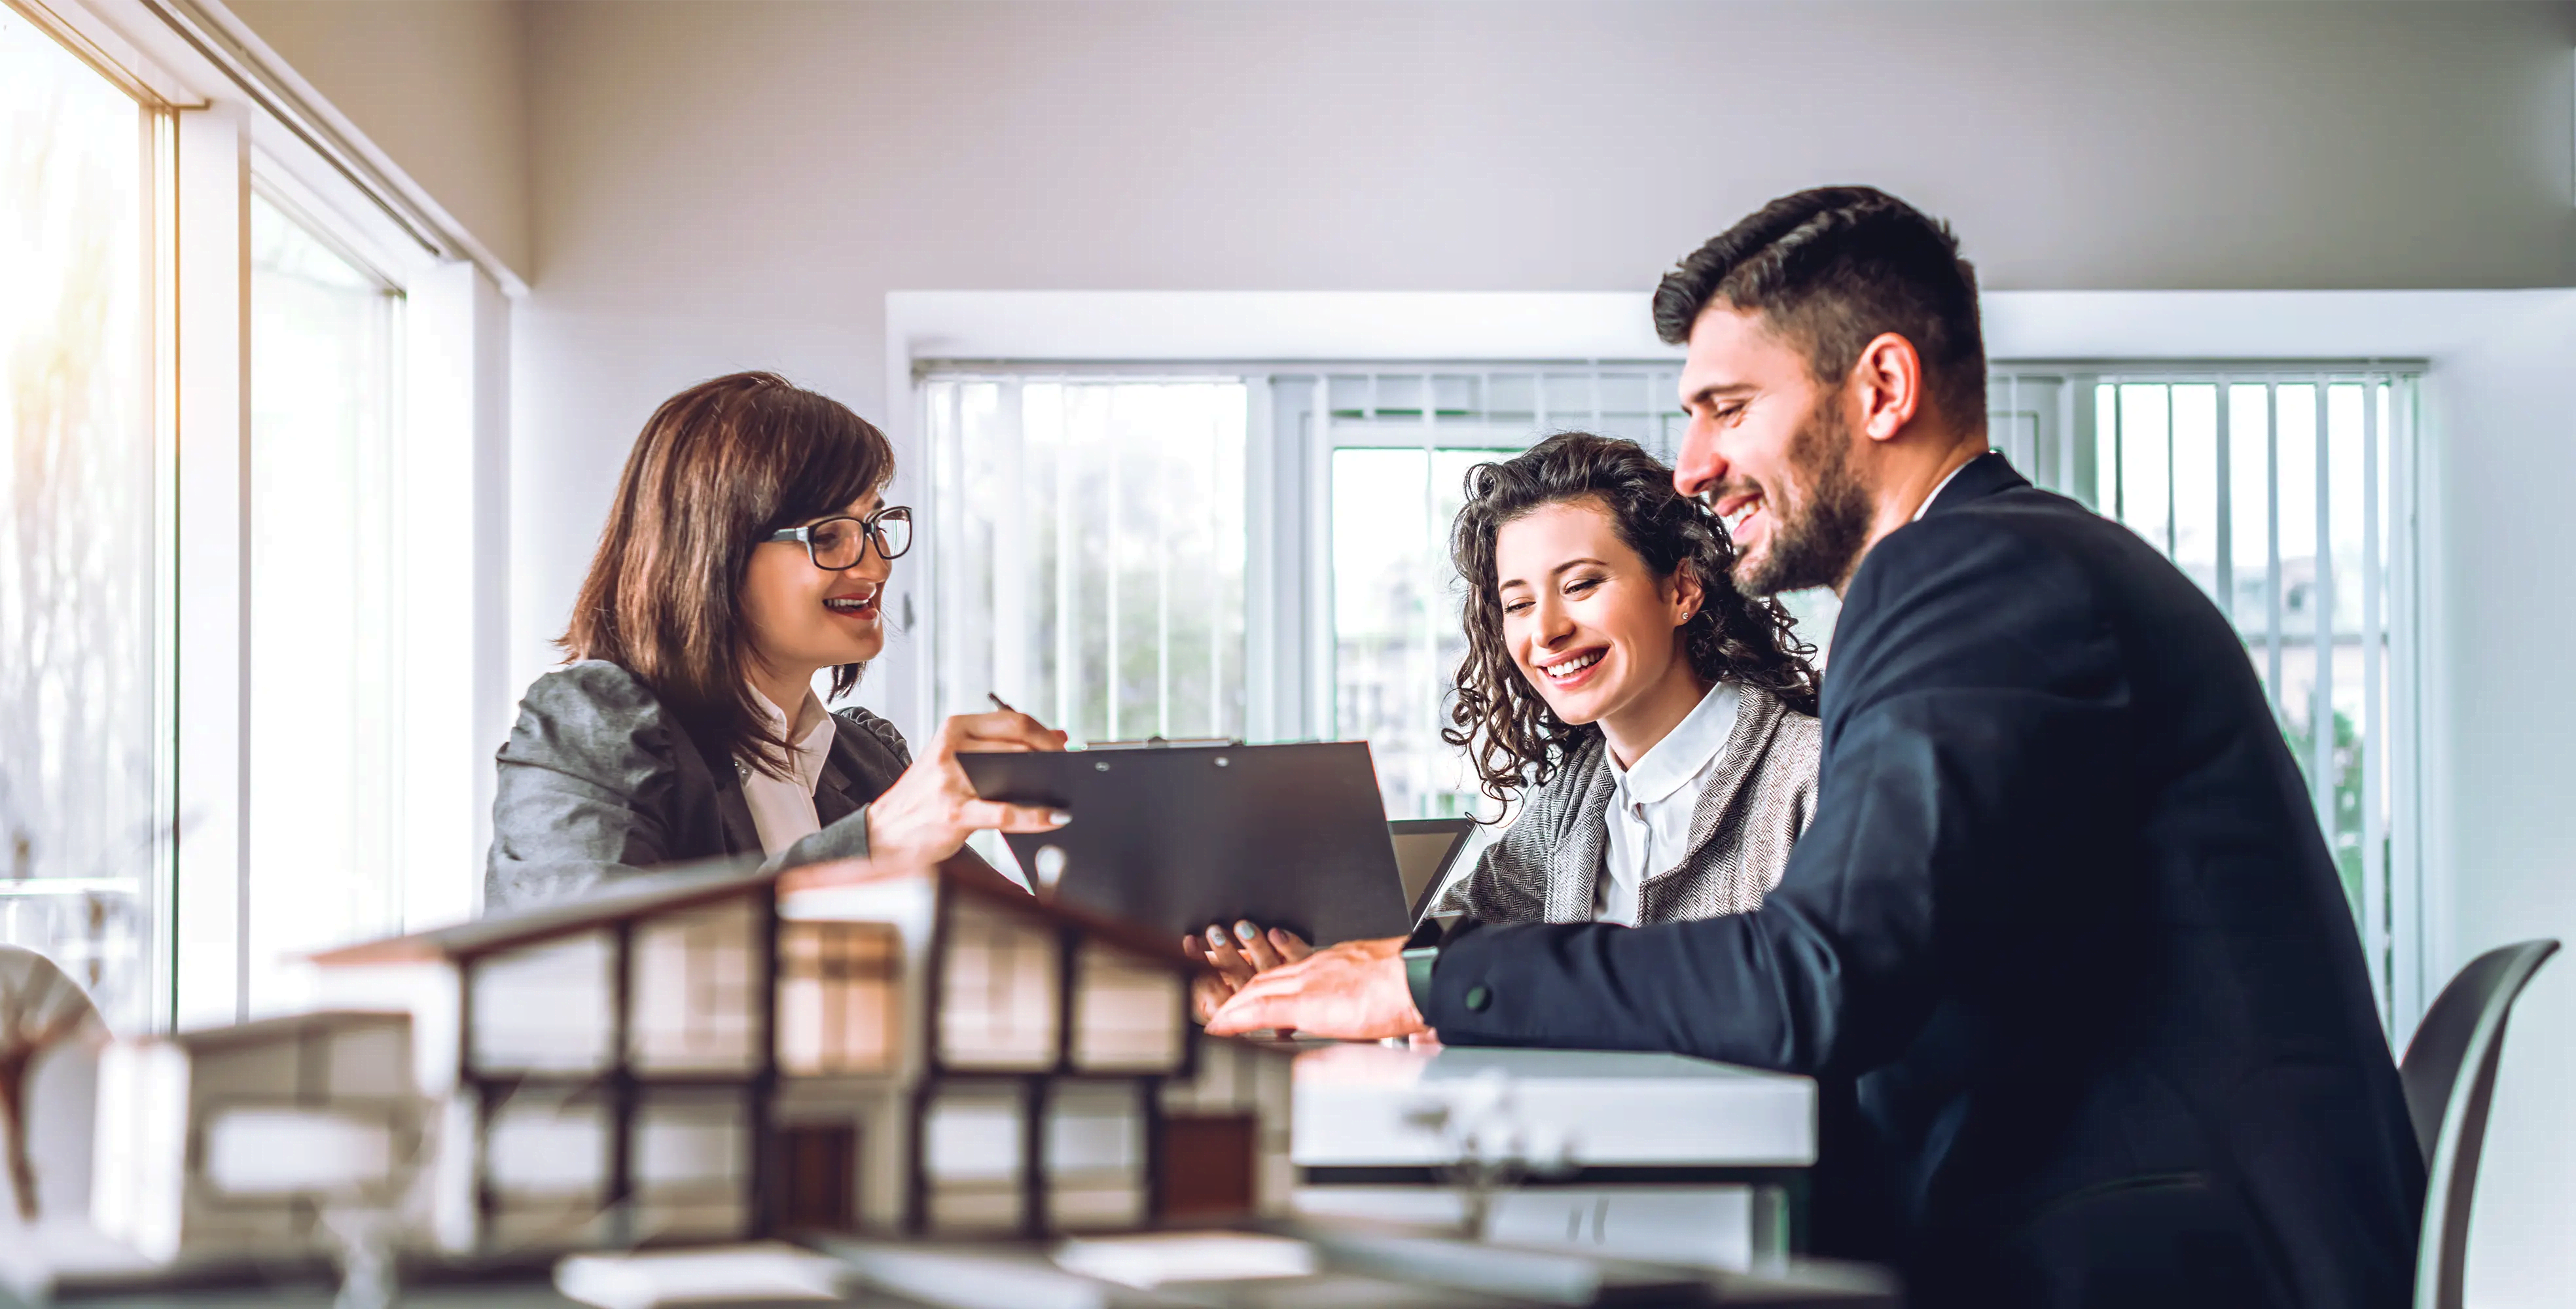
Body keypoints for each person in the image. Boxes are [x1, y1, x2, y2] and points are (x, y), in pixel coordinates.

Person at [1206, 188, 2423, 1308]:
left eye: (1730, 409)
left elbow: (1820, 977)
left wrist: (1421, 981)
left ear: (1882, 388)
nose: (1693, 466)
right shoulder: (2010, 566)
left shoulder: (1967, 577)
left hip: (2160, 1258)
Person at [1187, 433, 1823, 1015]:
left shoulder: (1810, 775)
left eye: (1580, 584)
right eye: (1517, 602)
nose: (1545, 630)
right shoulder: (1577, 801)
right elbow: (1443, 951)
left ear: (1682, 589)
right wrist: (1304, 975)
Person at [486, 371, 1065, 910]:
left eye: (873, 526)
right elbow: (587, 965)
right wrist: (874, 842)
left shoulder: (863, 762)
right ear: (714, 551)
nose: (875, 567)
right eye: (829, 535)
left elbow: (1028, 944)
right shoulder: (589, 726)